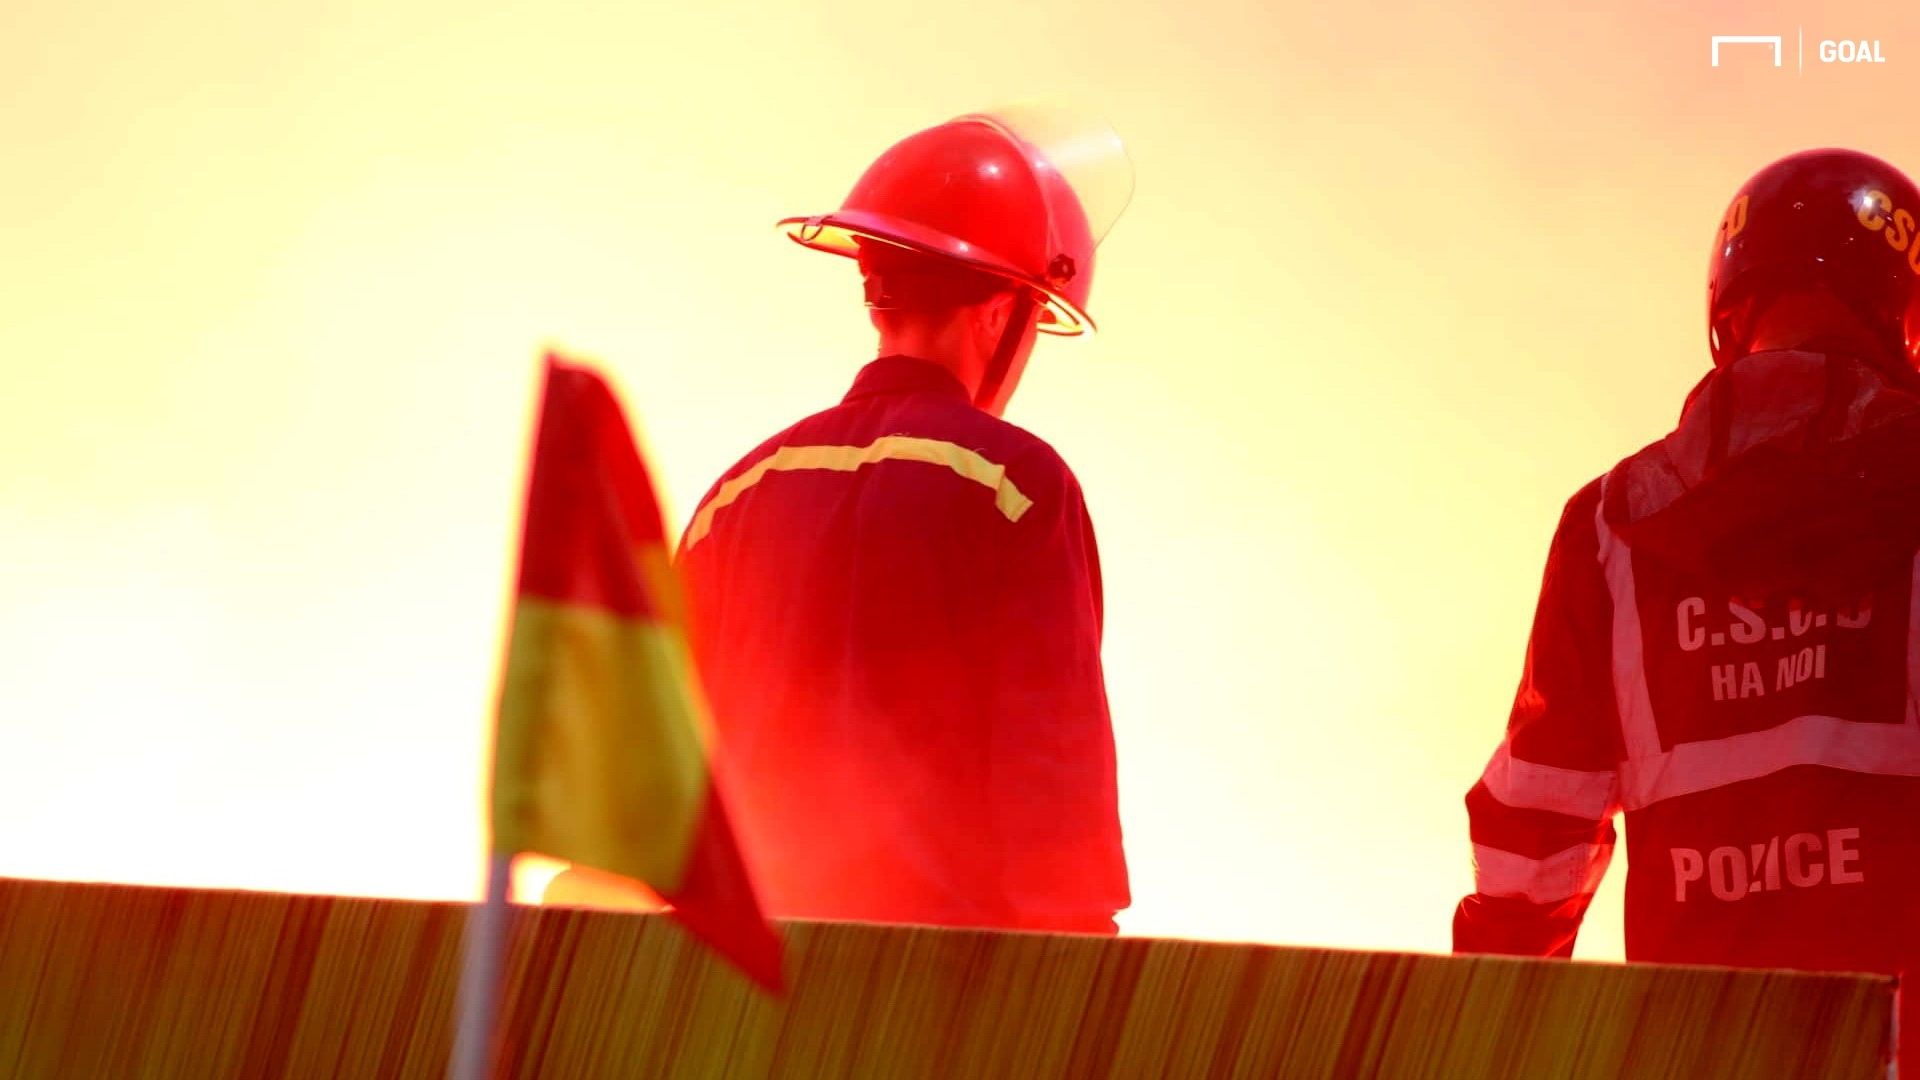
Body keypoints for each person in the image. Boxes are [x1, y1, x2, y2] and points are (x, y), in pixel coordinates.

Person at [1454, 148, 1920, 1067]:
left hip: (1699, 1057)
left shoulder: (1608, 529)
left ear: (1727, 309)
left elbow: (1533, 840)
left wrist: (1484, 1032)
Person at [676, 107, 1134, 934]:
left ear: (876, 292)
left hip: (736, 991)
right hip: (933, 1000)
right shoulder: (1013, 485)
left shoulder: (735, 495)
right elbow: (1053, 802)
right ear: (1002, 312)